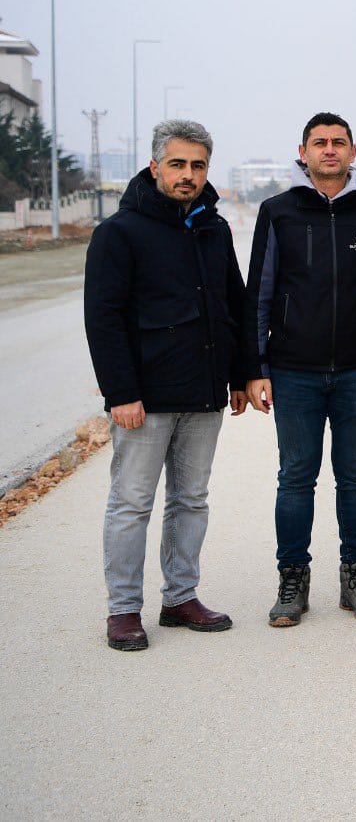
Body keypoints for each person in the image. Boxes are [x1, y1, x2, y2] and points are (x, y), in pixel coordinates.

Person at [84, 120, 251, 651]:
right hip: (144, 397)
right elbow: (103, 317)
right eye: (177, 164)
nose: (188, 175)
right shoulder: (120, 232)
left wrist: (241, 374)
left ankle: (181, 597)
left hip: (203, 391)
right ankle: (123, 610)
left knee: (191, 499)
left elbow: (233, 303)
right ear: (155, 166)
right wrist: (120, 393)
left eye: (198, 165)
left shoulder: (214, 228)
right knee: (132, 502)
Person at [245, 112, 356, 627]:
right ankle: (292, 581)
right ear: (304, 151)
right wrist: (257, 366)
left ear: (353, 152)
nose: (330, 151)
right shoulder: (278, 212)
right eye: (320, 143)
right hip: (294, 371)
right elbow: (261, 293)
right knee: (295, 477)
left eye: (339, 143)